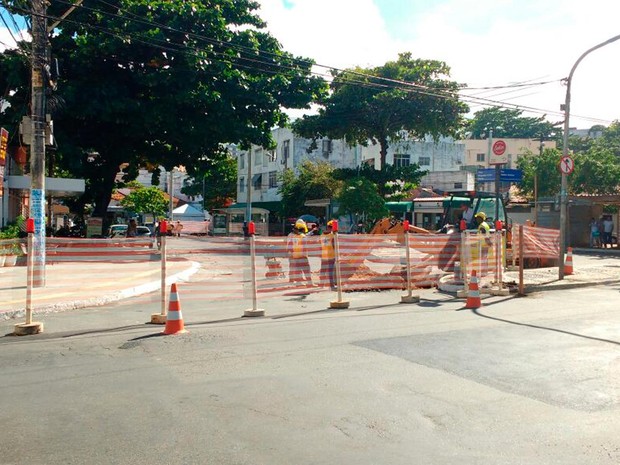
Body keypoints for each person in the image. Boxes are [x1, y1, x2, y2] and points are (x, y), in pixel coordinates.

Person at [286, 220, 312, 285]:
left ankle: (297, 281)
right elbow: (304, 246)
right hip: (301, 255)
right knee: (305, 269)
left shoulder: (293, 236)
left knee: (296, 268)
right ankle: (308, 282)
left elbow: (289, 245)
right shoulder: (301, 236)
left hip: (295, 255)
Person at [320, 220, 336, 289]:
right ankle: (331, 285)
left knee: (323, 270)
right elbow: (334, 245)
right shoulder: (332, 235)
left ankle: (322, 284)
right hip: (331, 255)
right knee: (330, 270)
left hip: (323, 255)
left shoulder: (322, 235)